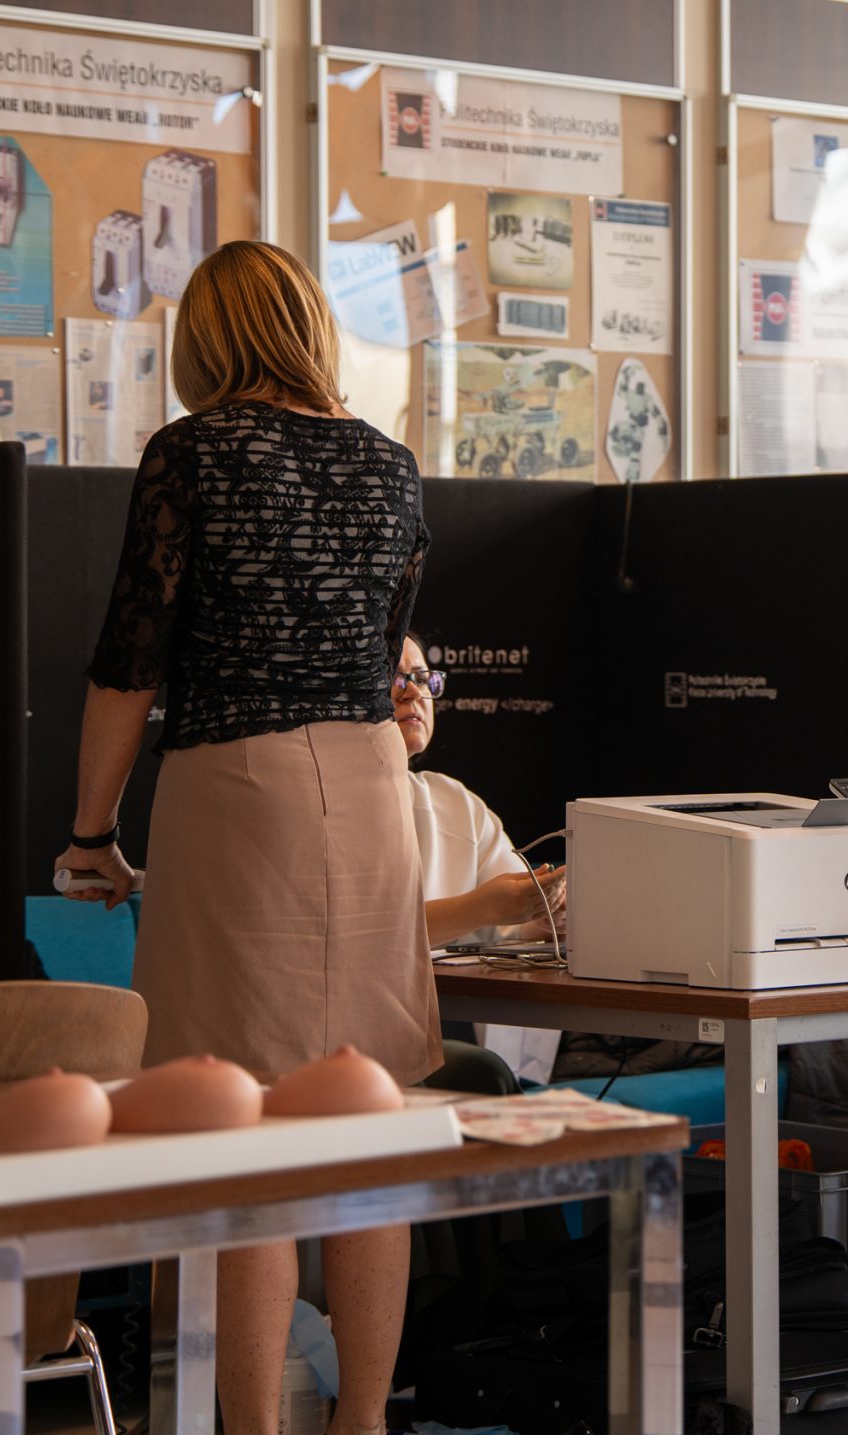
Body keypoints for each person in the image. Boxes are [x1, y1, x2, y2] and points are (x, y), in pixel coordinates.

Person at [58, 240, 430, 1435]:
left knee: (243, 1124)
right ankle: (363, 1421)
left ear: (206, 341)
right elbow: (391, 655)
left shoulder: (194, 453)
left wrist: (92, 833)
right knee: (368, 1120)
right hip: (371, 791)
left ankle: (254, 1429)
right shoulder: (390, 463)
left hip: (240, 788)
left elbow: (132, 662)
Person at [392, 635, 564, 952]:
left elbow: (512, 923)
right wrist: (479, 908)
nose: (414, 692)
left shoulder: (455, 801)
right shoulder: (324, 803)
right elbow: (365, 933)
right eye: (392, 675)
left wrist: (548, 913)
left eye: (422, 679)